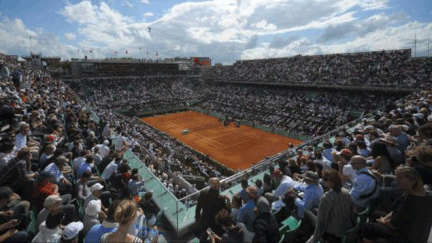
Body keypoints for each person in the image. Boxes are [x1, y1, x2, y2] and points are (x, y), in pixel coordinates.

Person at [362, 165, 432, 242]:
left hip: (406, 237)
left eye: (399, 178)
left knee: (367, 227)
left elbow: (395, 225)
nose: (396, 179)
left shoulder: (412, 202)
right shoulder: (420, 194)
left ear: (412, 180)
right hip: (411, 231)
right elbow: (395, 212)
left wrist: (383, 221)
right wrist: (385, 218)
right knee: (375, 213)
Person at [306, 170, 354, 243]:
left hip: (333, 234)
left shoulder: (326, 198)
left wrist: (314, 240)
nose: (322, 180)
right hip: (346, 228)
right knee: (314, 210)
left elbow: (321, 223)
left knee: (307, 212)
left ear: (332, 181)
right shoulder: (346, 192)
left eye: (325, 179)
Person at [195, 177, 231, 243]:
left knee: (203, 236)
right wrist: (228, 200)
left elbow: (198, 208)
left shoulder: (203, 193)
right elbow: (227, 211)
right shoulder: (221, 198)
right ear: (218, 186)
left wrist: (197, 219)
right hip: (215, 223)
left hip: (204, 220)